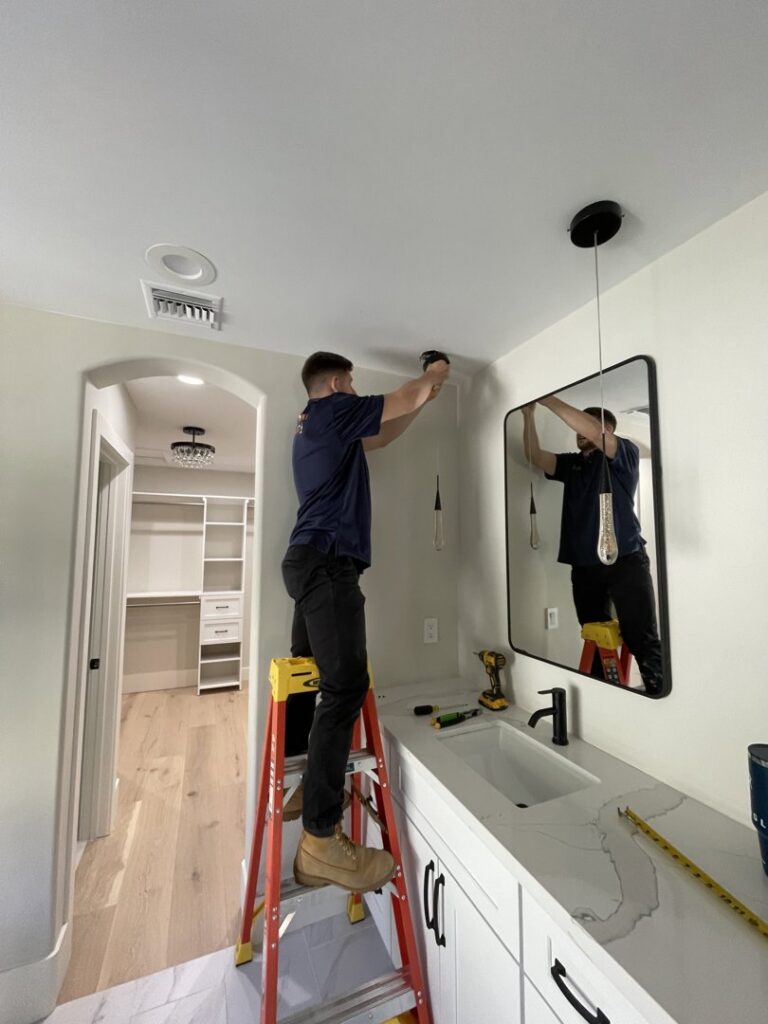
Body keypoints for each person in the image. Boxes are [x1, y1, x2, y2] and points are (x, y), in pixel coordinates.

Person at [282, 350, 450, 892]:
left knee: (309, 673)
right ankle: (320, 840)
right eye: (352, 383)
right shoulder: (333, 411)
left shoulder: (317, 427)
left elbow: (385, 431)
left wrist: (421, 403)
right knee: (345, 686)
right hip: (329, 564)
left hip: (309, 561)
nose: (355, 390)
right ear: (337, 383)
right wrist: (434, 374)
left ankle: (303, 782)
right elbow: (397, 398)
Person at [522, 396, 663, 696]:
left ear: (608, 430)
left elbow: (596, 434)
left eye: (587, 426)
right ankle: (605, 696)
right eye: (577, 428)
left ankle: (658, 694)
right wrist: (528, 415)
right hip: (585, 565)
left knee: (641, 636)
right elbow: (534, 455)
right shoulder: (572, 464)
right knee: (596, 635)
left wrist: (548, 400)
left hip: (625, 560)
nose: (579, 432)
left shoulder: (624, 453)